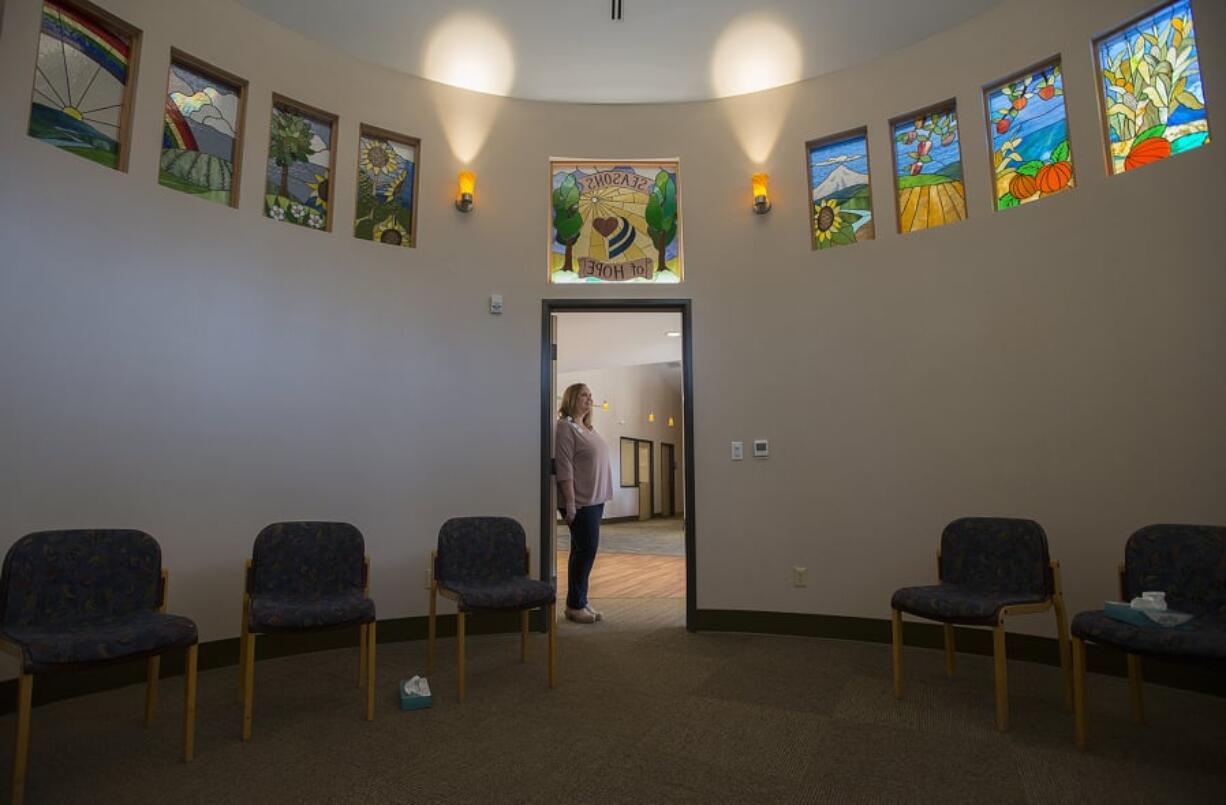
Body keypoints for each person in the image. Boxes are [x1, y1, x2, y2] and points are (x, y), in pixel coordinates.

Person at [555, 383, 614, 624]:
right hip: (579, 501)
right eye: (584, 395)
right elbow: (564, 467)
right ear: (571, 398)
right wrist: (570, 503)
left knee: (583, 550)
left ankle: (580, 600)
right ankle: (574, 604)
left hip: (595, 499)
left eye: (591, 395)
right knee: (585, 550)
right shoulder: (565, 427)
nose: (590, 399)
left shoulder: (587, 428)